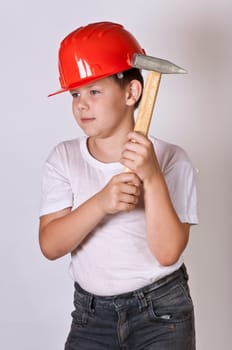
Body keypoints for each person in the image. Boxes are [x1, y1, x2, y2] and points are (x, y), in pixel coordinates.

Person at [39, 21, 198, 350]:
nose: (82, 103)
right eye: (75, 94)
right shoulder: (64, 158)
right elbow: (50, 246)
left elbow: (168, 253)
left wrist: (152, 177)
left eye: (94, 91)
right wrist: (101, 203)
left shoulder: (171, 159)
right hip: (91, 316)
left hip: (161, 312)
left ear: (132, 92)